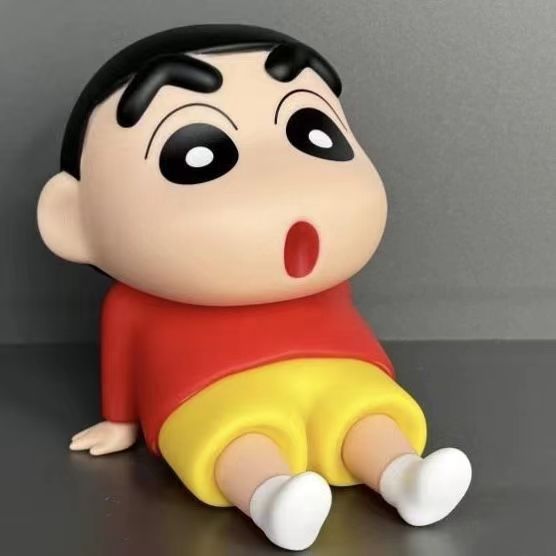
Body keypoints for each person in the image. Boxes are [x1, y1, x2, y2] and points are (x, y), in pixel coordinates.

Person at [37, 25, 471, 551]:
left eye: (313, 132)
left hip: (339, 368)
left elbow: (345, 316)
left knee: (366, 416)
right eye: (196, 155)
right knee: (237, 439)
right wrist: (120, 423)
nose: (282, 179)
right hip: (204, 390)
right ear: (73, 219)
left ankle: (405, 477)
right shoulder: (135, 305)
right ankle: (271, 500)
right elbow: (123, 356)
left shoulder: (327, 279)